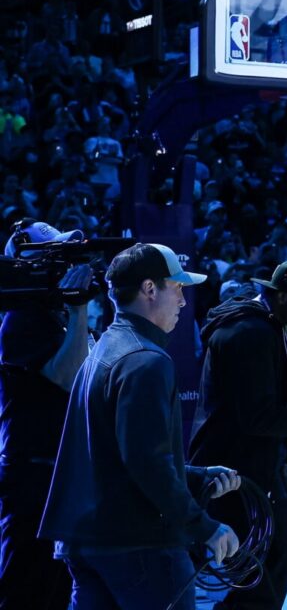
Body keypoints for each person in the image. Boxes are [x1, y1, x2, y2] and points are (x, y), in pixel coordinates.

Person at [39, 244, 243, 610]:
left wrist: (193, 476)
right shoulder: (145, 361)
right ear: (150, 289)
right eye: (177, 287)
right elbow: (145, 462)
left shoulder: (105, 349)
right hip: (139, 546)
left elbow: (115, 455)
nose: (183, 301)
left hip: (89, 543)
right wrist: (205, 527)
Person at [188, 257, 287, 610]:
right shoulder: (251, 333)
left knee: (270, 561)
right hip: (236, 475)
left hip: (253, 472)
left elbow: (280, 402)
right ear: (284, 297)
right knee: (260, 572)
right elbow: (260, 419)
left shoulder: (269, 328)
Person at [0, 224, 93, 610]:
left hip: (52, 470)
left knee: (53, 588)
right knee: (27, 588)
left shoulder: (49, 315)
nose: (63, 267)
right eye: (53, 258)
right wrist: (79, 310)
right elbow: (68, 377)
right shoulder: (22, 319)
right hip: (33, 474)